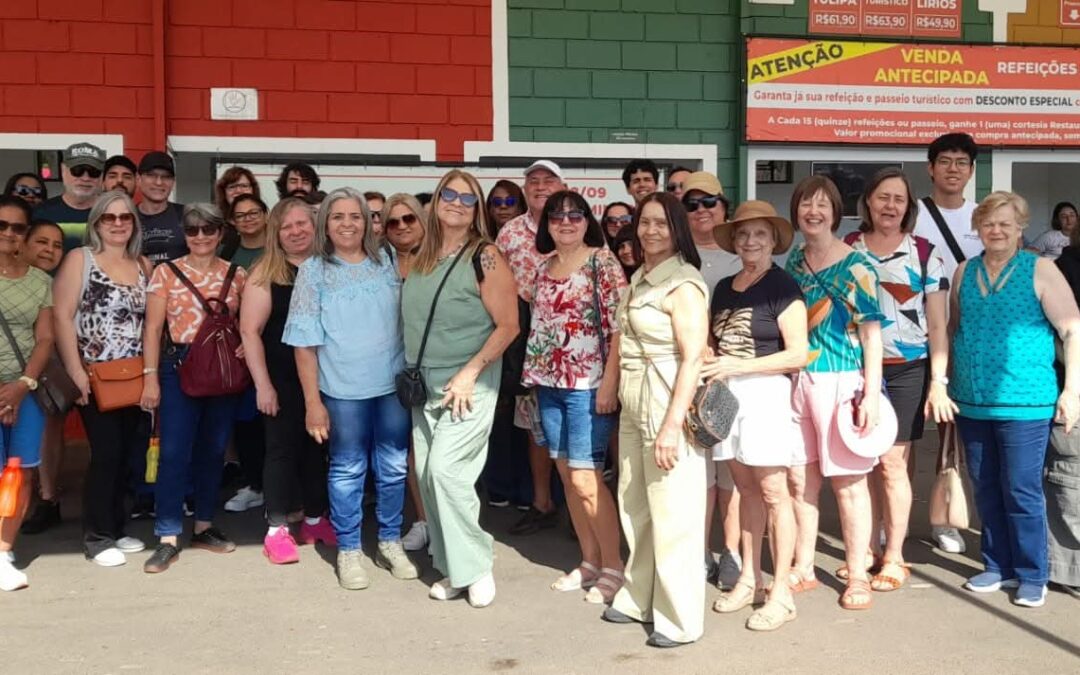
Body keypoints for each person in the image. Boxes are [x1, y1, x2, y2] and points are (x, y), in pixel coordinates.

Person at [950, 191, 1080, 608]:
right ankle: (996, 565)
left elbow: (1072, 330)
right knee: (985, 485)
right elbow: (956, 328)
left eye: (1005, 223)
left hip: (1026, 402)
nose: (996, 230)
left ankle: (1031, 572)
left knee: (1022, 489)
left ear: (1021, 227)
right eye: (988, 223)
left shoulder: (1040, 269)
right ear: (978, 228)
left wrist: (1072, 391)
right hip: (972, 400)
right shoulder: (964, 271)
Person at [284, 187, 415, 589]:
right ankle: (350, 548)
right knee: (347, 469)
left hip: (390, 385)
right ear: (325, 224)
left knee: (393, 466)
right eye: (338, 216)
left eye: (355, 216)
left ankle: (390, 541)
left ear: (368, 222)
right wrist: (312, 403)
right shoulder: (314, 271)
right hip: (342, 391)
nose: (347, 224)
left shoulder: (388, 259)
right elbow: (304, 344)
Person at [402, 170, 518, 608]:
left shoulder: (485, 256)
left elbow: (508, 325)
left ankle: (477, 565)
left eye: (467, 198)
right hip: (423, 382)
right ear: (436, 201)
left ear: (477, 209)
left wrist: (471, 372)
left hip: (468, 382)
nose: (456, 202)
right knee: (428, 478)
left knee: (446, 472)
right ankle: (455, 567)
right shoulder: (421, 254)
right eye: (448, 194)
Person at [601, 191, 708, 648]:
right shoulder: (640, 278)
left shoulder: (683, 283)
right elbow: (623, 338)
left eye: (661, 223)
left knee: (673, 510)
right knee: (636, 504)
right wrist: (610, 387)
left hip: (666, 402)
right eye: (645, 222)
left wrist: (671, 425)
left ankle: (680, 618)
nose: (650, 231)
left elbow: (693, 358)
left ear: (677, 229)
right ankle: (639, 596)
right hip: (635, 400)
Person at [845, 168, 951, 592]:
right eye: (883, 197)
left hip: (908, 368)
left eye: (899, 199)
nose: (890, 206)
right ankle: (866, 548)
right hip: (855, 368)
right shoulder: (848, 248)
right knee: (863, 461)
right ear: (868, 202)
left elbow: (938, 325)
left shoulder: (924, 253)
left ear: (908, 208)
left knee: (892, 463)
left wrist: (938, 380)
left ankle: (894, 555)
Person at [784, 175, 885, 611]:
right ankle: (804, 565)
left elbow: (873, 335)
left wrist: (872, 395)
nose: (814, 212)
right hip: (798, 380)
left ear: (836, 211)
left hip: (841, 379)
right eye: (806, 204)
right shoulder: (794, 259)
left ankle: (858, 573)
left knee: (848, 482)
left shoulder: (858, 266)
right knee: (799, 480)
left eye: (822, 204)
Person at [705, 201, 805, 631]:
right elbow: (715, 342)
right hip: (727, 394)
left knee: (773, 492)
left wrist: (739, 365)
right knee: (745, 490)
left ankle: (781, 592)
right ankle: (750, 578)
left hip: (765, 394)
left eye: (760, 234)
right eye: (743, 234)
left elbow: (798, 354)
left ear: (773, 240)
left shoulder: (784, 286)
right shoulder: (724, 287)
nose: (750, 241)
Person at [524, 190, 627, 604]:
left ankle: (614, 566)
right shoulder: (543, 268)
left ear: (588, 221)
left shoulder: (603, 262)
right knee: (567, 477)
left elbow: (620, 328)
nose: (565, 222)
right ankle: (589, 561)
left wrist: (609, 383)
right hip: (549, 385)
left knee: (587, 479)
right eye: (556, 215)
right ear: (546, 224)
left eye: (575, 214)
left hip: (588, 386)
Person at [140, 204, 245, 574]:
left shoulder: (237, 274)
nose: (200, 236)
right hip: (178, 365)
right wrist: (150, 376)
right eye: (192, 230)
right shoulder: (166, 272)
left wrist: (245, 345)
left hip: (221, 368)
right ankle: (167, 535)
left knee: (213, 451)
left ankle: (203, 526)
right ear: (184, 234)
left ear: (220, 233)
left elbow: (245, 323)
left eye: (208, 229)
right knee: (173, 452)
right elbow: (153, 329)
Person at [52, 191, 151, 567]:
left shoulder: (143, 264)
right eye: (109, 217)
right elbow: (63, 317)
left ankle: (117, 526)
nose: (118, 224)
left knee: (128, 455)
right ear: (96, 223)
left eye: (125, 217)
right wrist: (76, 371)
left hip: (136, 374)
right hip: (95, 375)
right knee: (106, 454)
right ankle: (96, 537)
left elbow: (150, 323)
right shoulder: (81, 259)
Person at [239, 196, 332, 565]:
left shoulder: (329, 266)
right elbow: (249, 331)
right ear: (275, 234)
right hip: (281, 378)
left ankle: (314, 520)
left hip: (327, 376)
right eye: (286, 227)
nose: (295, 232)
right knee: (281, 450)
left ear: (315, 225)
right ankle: (276, 529)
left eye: (301, 224)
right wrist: (263, 385)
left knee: (317, 449)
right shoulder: (265, 273)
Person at [913, 132, 983, 555]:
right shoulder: (914, 215)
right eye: (945, 161)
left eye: (961, 162)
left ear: (971, 171)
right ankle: (887, 519)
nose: (953, 169)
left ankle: (945, 517)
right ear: (931, 167)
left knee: (951, 431)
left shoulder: (982, 218)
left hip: (965, 337)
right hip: (911, 335)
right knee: (903, 432)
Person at [496, 160, 564, 535]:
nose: (540, 186)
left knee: (572, 424)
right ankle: (542, 503)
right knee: (533, 424)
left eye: (548, 180)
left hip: (572, 343)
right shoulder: (509, 232)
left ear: (562, 186)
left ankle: (579, 507)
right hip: (526, 341)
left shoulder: (575, 223)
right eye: (533, 181)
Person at [682, 170, 742, 588]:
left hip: (731, 376)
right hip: (685, 378)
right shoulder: (675, 256)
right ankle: (700, 551)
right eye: (692, 204)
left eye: (710, 202)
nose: (701, 210)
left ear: (724, 207)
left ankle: (732, 551)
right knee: (697, 474)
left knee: (730, 473)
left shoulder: (741, 255)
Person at [0, 195, 55, 591]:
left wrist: (21, 387)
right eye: (1, 225)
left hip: (26, 387)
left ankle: (4, 550)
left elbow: (45, 339)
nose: (9, 233)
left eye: (17, 227)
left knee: (19, 472)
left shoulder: (40, 282)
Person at [381, 193, 431, 550]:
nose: (401, 226)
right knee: (409, 447)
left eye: (409, 218)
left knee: (439, 450)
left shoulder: (440, 260)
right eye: (393, 222)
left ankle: (449, 523)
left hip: (436, 362)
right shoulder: (377, 263)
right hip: (391, 367)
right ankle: (424, 520)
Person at [222, 194, 270, 515]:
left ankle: (280, 487)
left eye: (254, 212)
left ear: (266, 215)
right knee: (246, 420)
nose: (249, 219)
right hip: (236, 347)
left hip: (274, 343)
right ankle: (254, 484)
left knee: (276, 420)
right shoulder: (227, 253)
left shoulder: (278, 249)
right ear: (233, 222)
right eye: (241, 215)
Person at [1051, 221, 1080, 597]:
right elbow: (1061, 333)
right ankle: (1071, 569)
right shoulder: (1063, 268)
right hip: (1072, 385)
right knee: (1070, 477)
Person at [34, 142, 105, 252]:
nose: (85, 178)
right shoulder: (40, 213)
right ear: (63, 170)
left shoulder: (113, 214)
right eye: (77, 170)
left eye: (93, 172)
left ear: (101, 176)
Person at [138, 152, 186, 266]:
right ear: (138, 179)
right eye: (151, 175)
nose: (159, 182)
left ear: (173, 182)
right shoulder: (125, 218)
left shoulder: (188, 215)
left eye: (166, 177)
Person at [214, 166, 261, 259]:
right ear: (224, 192)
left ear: (253, 190)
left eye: (244, 186)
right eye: (232, 187)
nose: (238, 191)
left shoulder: (265, 223)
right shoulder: (215, 224)